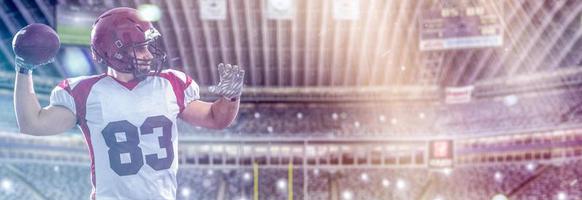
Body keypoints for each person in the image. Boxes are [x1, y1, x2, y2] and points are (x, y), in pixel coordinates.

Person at [13, 7, 244, 200]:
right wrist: (25, 68)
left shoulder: (170, 84)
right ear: (115, 52)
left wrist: (231, 97)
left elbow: (216, 118)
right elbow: (32, 123)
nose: (149, 55)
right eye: (141, 48)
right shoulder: (85, 92)